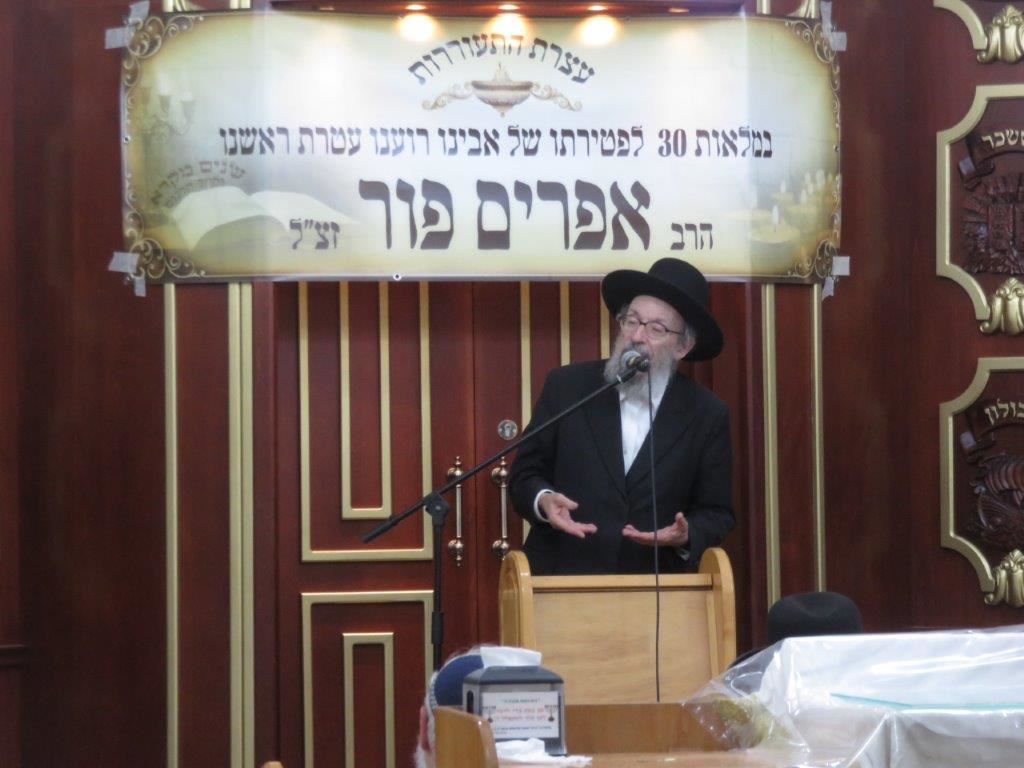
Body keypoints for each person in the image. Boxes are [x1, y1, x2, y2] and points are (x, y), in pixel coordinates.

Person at [510, 257, 735, 575]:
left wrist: (686, 535)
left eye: (656, 329)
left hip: (653, 587)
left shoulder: (706, 414)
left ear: (682, 347)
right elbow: (524, 475)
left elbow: (717, 513)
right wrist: (543, 500)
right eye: (632, 321)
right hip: (562, 578)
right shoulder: (568, 387)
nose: (637, 336)